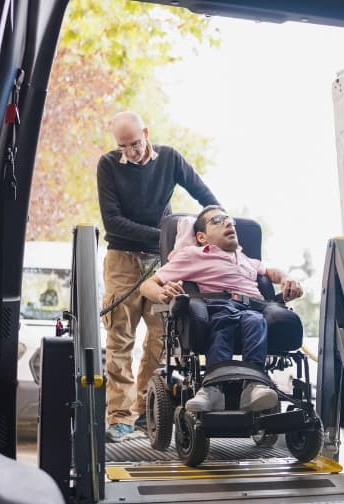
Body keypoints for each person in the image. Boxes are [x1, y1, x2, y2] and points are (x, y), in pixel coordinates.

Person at [97, 111, 219, 442]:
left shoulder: (170, 159)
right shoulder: (108, 165)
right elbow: (113, 222)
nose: (131, 152)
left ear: (146, 133)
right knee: (120, 337)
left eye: (135, 144)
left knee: (160, 338)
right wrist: (166, 235)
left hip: (161, 263)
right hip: (121, 259)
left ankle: (144, 409)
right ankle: (119, 417)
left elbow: (204, 195)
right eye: (123, 146)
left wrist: (219, 225)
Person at [140, 205, 304, 413]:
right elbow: (147, 285)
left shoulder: (244, 258)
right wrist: (161, 293)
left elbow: (270, 272)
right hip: (218, 306)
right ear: (202, 237)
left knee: (255, 322)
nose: (228, 223)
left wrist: (286, 278)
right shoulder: (194, 255)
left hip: (253, 308)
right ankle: (213, 388)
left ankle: (254, 386)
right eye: (217, 220)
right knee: (224, 320)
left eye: (230, 220)